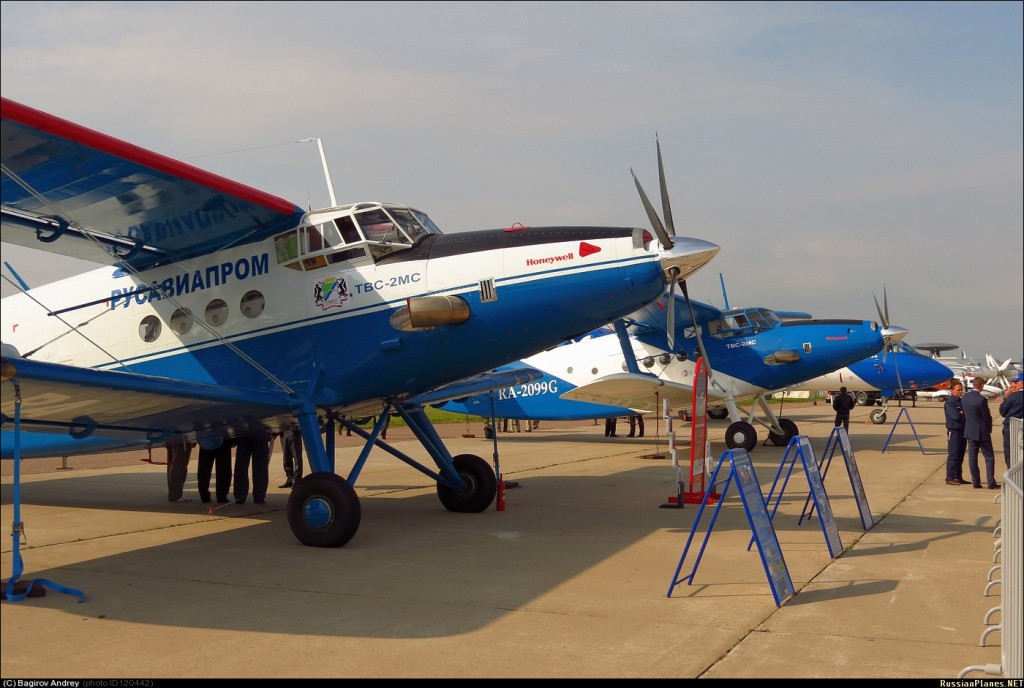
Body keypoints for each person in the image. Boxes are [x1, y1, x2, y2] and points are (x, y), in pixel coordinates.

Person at [962, 376, 998, 489]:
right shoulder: (982, 400)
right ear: (981, 386)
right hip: (982, 432)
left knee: (972, 457)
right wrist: (988, 429)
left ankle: (976, 482)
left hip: (970, 431)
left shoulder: (965, 398)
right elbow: (986, 417)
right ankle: (990, 482)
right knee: (989, 457)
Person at [234, 431, 273, 504]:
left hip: (245, 434)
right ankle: (259, 496)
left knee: (242, 467)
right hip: (259, 434)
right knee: (260, 468)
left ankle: (240, 496)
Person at [943, 381, 968, 485]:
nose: (960, 392)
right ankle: (950, 477)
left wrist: (963, 414)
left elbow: (965, 415)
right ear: (952, 390)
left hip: (962, 431)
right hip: (954, 431)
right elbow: (956, 416)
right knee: (953, 454)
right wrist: (962, 414)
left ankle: (958, 476)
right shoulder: (950, 402)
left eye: (961, 390)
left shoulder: (961, 401)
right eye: (958, 390)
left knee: (960, 454)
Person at [998, 372, 1023, 469]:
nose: (1013, 385)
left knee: (1010, 453)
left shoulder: (1013, 396)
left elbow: (1002, 411)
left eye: (1016, 383)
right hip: (1020, 427)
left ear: (1021, 384)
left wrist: (1006, 398)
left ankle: (1011, 473)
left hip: (1011, 428)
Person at [197, 438, 234, 503]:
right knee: (223, 469)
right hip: (223, 438)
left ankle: (204, 495)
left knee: (204, 468)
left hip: (206, 438)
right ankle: (221, 495)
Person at [165, 438, 194, 502]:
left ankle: (174, 494)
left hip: (175, 436)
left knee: (175, 463)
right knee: (180, 464)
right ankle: (176, 495)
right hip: (182, 437)